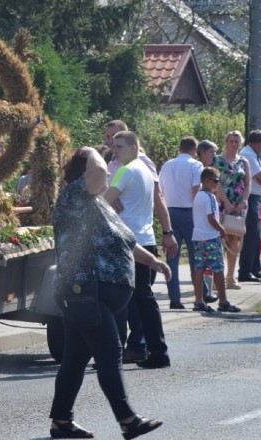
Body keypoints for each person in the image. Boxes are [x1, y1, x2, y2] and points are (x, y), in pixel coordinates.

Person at [49, 147, 166, 440]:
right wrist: (95, 151)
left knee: (75, 360)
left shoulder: (97, 204)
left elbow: (125, 240)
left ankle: (61, 422)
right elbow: (98, 168)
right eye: (100, 167)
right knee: (110, 352)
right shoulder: (73, 195)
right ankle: (128, 420)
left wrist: (152, 261)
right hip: (84, 291)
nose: (107, 172)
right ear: (83, 173)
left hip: (92, 295)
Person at [104, 131, 175, 369]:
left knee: (123, 300)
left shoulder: (127, 170)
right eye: (114, 147)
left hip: (128, 241)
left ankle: (126, 350)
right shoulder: (145, 170)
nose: (115, 151)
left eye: (120, 147)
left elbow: (102, 203)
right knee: (142, 300)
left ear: (135, 147)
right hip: (145, 239)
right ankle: (154, 349)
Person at [158, 137, 205, 309]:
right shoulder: (196, 165)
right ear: (195, 149)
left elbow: (160, 191)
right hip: (189, 212)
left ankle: (174, 298)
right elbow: (195, 190)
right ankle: (202, 294)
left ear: (180, 148)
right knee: (195, 256)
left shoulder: (166, 165)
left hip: (169, 212)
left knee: (172, 256)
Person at [191, 167, 241, 313]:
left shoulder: (198, 196)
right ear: (207, 181)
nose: (218, 184)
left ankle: (198, 300)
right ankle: (223, 301)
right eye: (216, 181)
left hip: (198, 237)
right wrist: (221, 229)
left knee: (199, 268)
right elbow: (211, 217)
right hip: (210, 237)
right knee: (218, 269)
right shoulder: (210, 197)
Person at [213, 131, 250, 290]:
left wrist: (243, 201)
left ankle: (231, 277)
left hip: (239, 204)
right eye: (231, 141)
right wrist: (225, 201)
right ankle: (217, 278)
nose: (234, 144)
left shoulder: (243, 161)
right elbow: (216, 182)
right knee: (220, 238)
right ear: (226, 142)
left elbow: (247, 183)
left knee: (235, 238)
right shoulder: (218, 160)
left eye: (236, 141)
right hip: (221, 203)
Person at [238, 130, 261, 282]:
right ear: (257, 142)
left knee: (256, 235)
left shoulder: (252, 154)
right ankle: (245, 270)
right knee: (251, 234)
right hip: (250, 197)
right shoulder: (249, 155)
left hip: (255, 197)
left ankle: (254, 268)